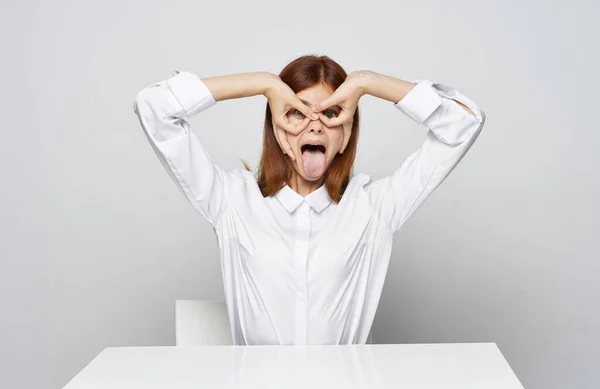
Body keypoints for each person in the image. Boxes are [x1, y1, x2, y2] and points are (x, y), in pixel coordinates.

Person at [133, 55, 486, 346]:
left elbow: (464, 124)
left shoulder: (374, 207)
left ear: (347, 135)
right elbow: (154, 108)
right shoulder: (232, 200)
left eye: (332, 114)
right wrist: (264, 83)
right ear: (276, 126)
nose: (314, 126)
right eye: (297, 112)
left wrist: (367, 82)